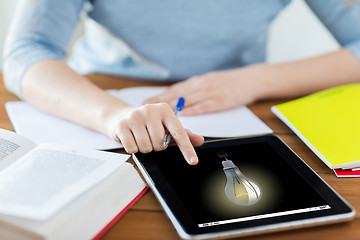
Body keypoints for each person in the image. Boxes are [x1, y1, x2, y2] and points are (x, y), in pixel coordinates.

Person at [3, 0, 360, 165]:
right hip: (95, 98)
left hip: (237, 110)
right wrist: (114, 116)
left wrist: (257, 79)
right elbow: (25, 51)